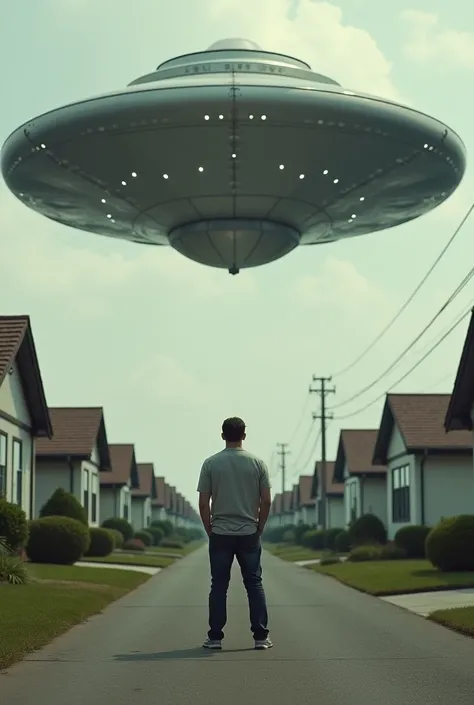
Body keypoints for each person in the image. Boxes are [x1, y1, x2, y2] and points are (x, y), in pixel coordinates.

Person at [197, 416, 273, 651]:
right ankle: (260, 637)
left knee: (219, 585)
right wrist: (259, 527)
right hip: (249, 532)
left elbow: (203, 502)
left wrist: (209, 528)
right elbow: (266, 501)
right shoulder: (258, 464)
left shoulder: (210, 464)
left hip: (220, 532)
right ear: (244, 435)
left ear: (222, 435)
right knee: (254, 583)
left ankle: (215, 637)